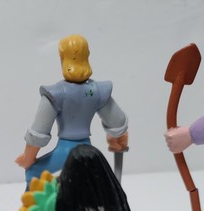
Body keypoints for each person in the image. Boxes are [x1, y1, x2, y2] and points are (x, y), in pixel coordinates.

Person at [15, 34, 128, 186]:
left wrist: (28, 158)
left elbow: (38, 133)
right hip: (88, 149)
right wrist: (117, 139)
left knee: (33, 172)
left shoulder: (56, 93)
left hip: (66, 151)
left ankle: (35, 202)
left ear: (62, 57)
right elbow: (118, 123)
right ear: (87, 55)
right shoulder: (98, 91)